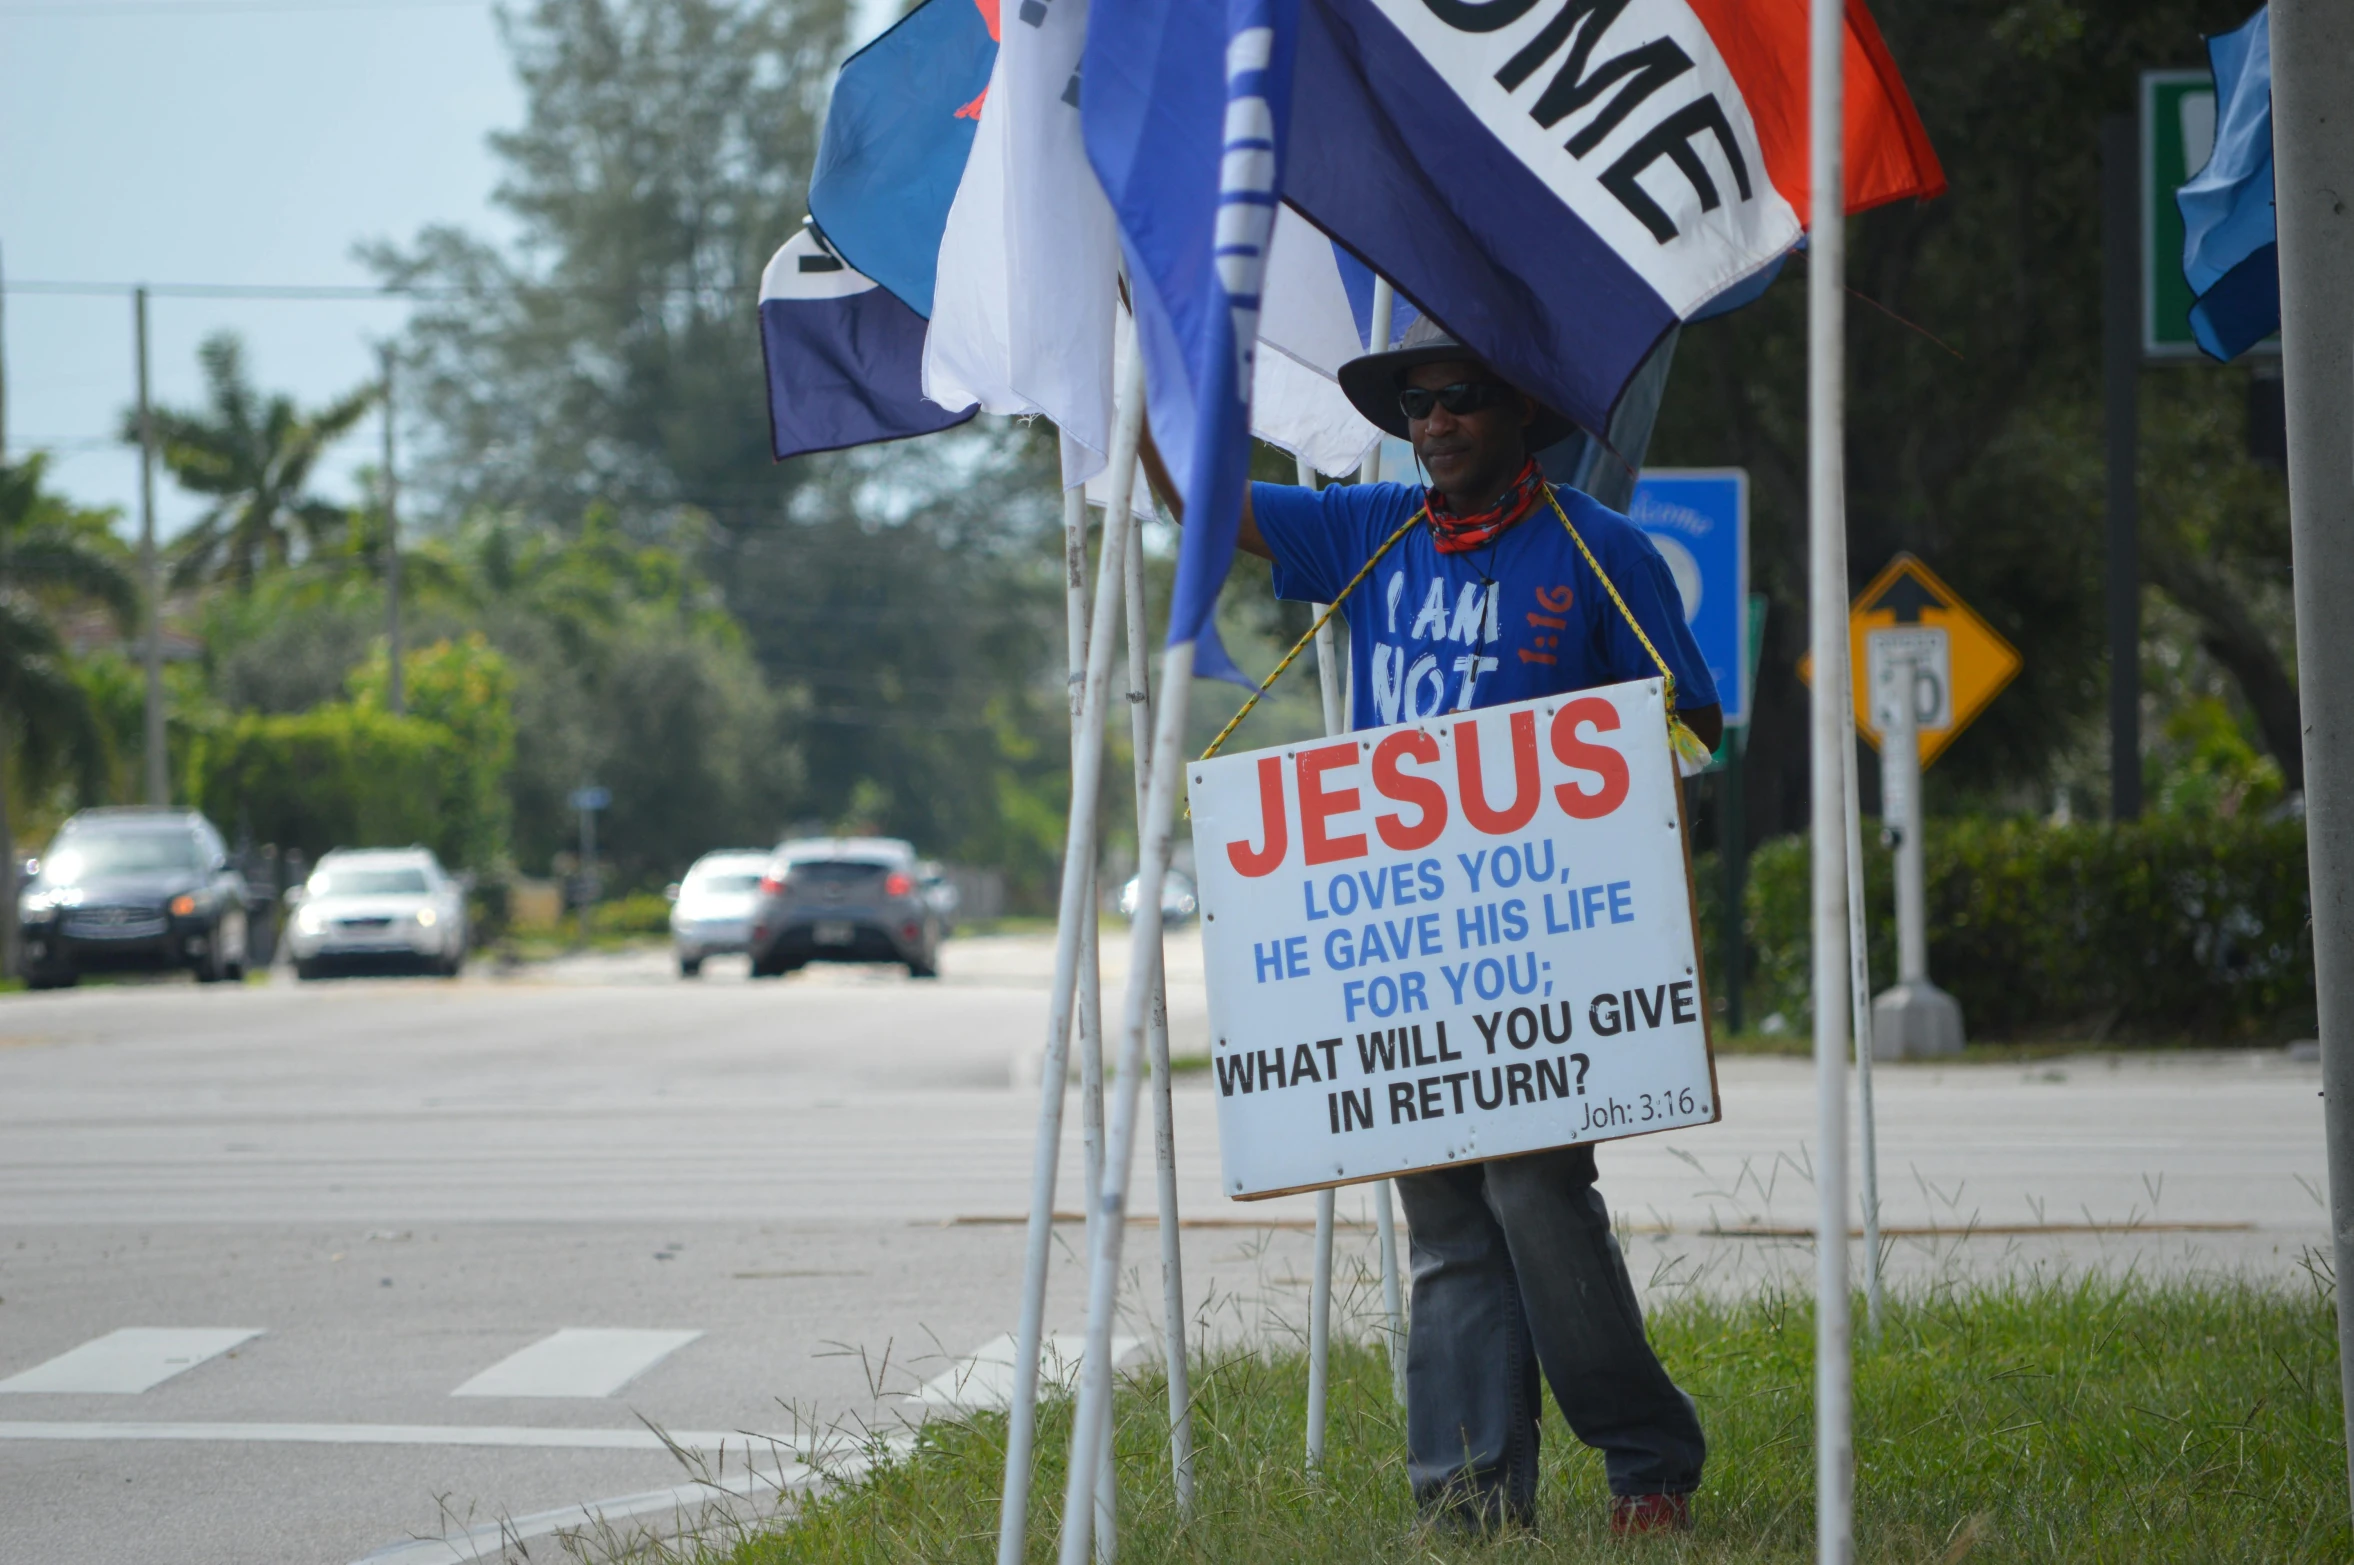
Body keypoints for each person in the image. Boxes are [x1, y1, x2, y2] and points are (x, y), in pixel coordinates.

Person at [1141, 316, 1715, 1538]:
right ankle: (1465, 1503)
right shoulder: (1368, 530)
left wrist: (1609, 806)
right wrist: (1132, 373)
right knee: (1447, 1222)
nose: (1435, 423)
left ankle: (1645, 1464)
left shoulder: (1599, 550)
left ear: (1520, 414)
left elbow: (1690, 726)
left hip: (1546, 950)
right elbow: (1197, 504)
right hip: (1403, 955)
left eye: (1459, 398)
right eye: (1414, 406)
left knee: (1534, 1194)